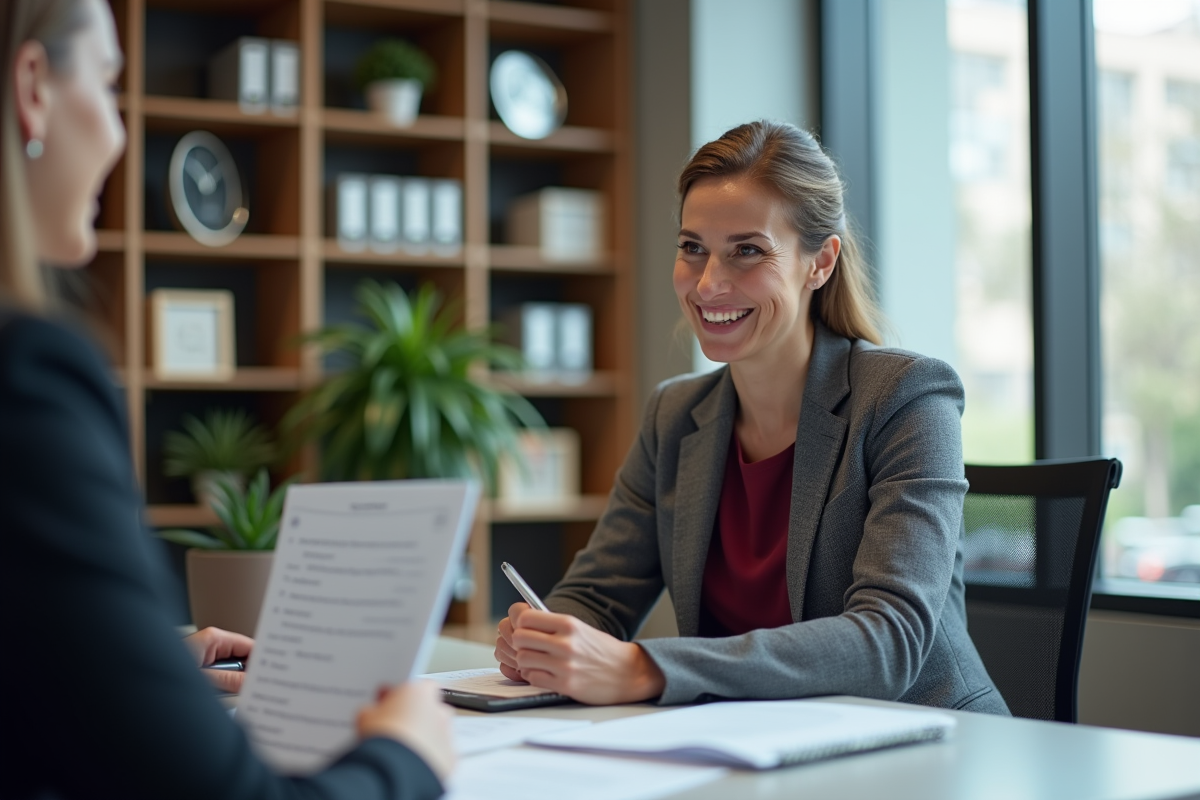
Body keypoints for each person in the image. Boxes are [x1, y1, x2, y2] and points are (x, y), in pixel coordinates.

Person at [0, 2, 454, 798]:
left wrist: (128, 671)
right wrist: (407, 756)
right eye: (107, 85)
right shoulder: (26, 377)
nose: (119, 134)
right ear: (34, 87)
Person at [495, 120, 1010, 715]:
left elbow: (886, 643)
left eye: (747, 251)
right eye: (693, 248)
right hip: (751, 739)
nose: (709, 283)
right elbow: (597, 595)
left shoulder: (906, 397)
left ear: (820, 263)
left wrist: (645, 667)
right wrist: (549, 636)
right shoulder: (674, 415)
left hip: (922, 736)